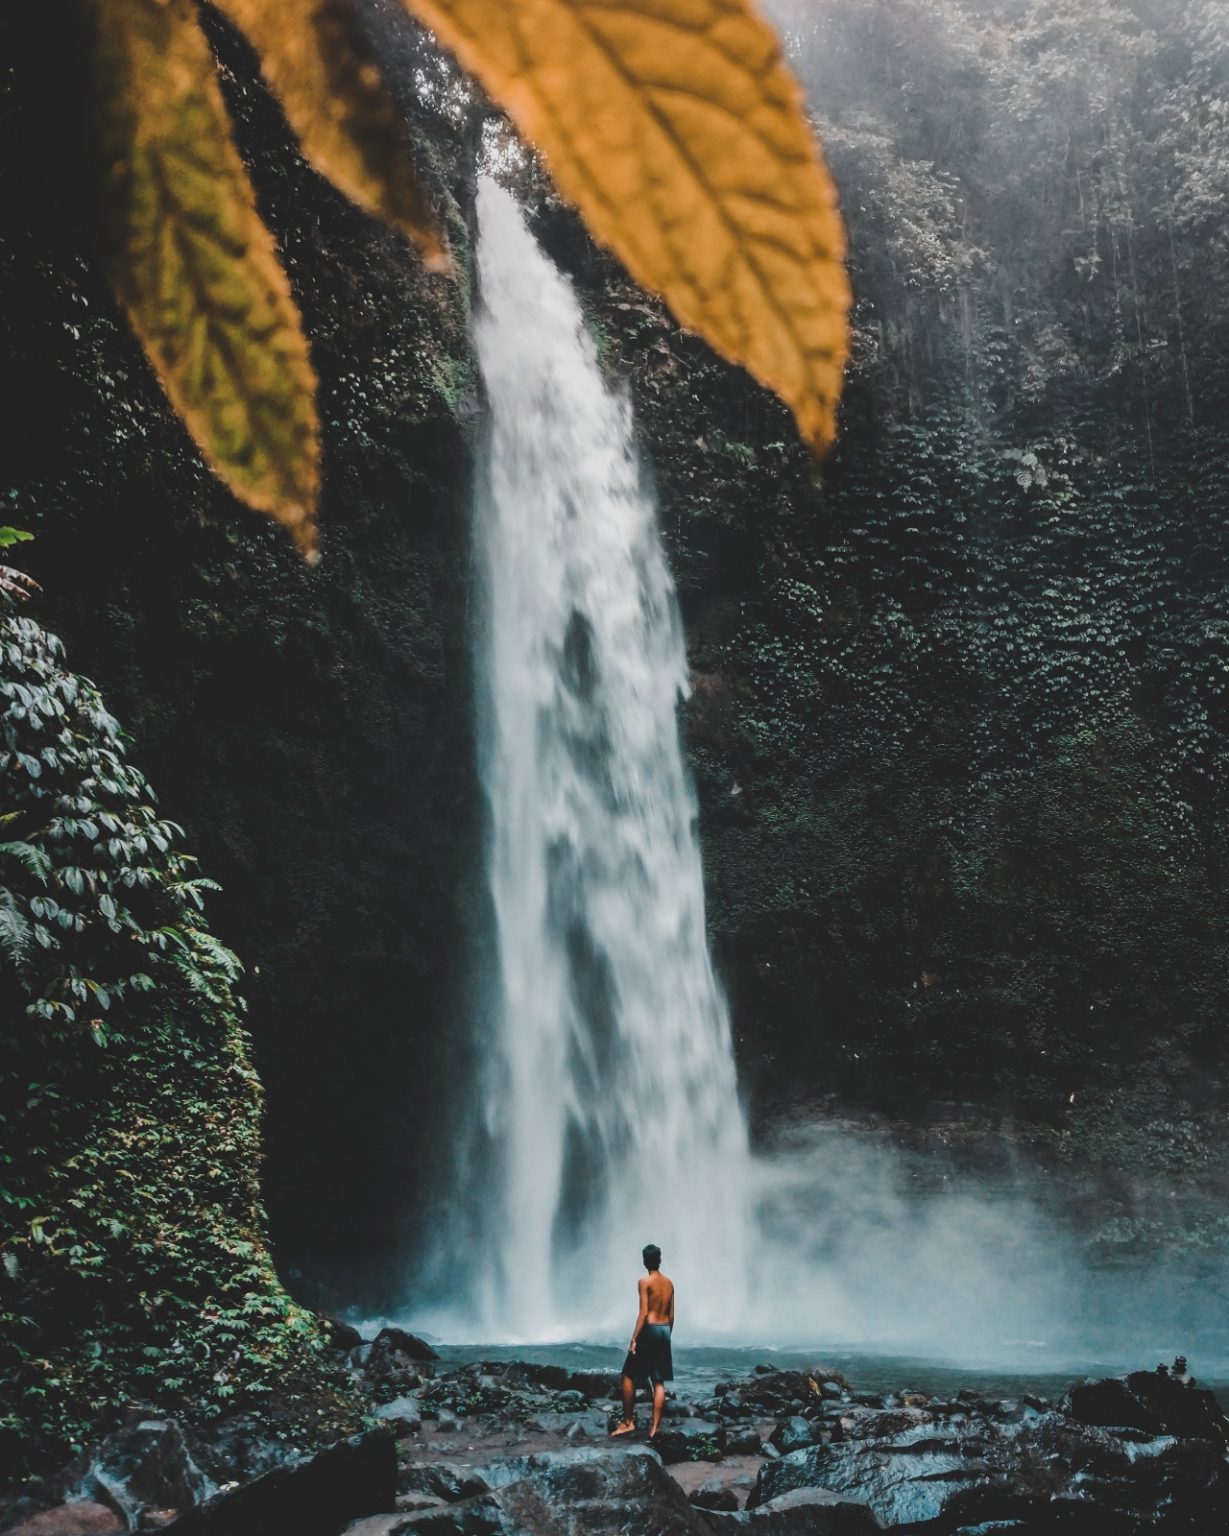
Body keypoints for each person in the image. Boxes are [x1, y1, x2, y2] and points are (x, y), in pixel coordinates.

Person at [610, 1243, 674, 1438]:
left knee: (627, 1375)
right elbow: (672, 1315)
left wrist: (634, 1339)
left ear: (645, 1260)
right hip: (664, 1329)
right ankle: (654, 1429)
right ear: (660, 1260)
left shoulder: (644, 1281)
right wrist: (666, 1334)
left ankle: (628, 1422)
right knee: (658, 1381)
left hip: (650, 1330)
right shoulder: (669, 1283)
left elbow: (644, 1313)